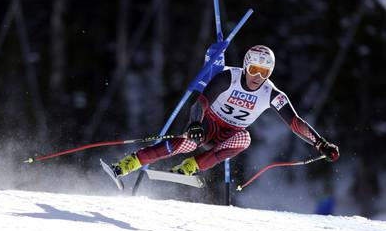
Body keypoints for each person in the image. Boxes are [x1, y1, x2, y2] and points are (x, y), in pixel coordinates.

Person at [110, 45, 339, 177]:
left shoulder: (272, 94)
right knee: (188, 143)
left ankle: (191, 167)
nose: (257, 77)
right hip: (208, 125)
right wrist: (195, 125)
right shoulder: (227, 77)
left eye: (264, 72)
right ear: (246, 65)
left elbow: (294, 122)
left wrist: (320, 143)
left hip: (229, 134)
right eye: (254, 69)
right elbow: (200, 103)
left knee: (245, 138)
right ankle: (130, 163)